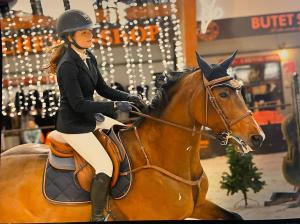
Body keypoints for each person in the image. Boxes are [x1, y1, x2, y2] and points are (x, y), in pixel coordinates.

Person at [47, 9, 146, 221]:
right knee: (104, 165)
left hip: (91, 119)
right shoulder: (66, 66)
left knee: (126, 136)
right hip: (74, 126)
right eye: (84, 33)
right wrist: (115, 106)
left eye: (90, 32)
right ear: (69, 37)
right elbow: (79, 105)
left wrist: (130, 97)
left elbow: (103, 88)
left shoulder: (89, 56)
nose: (90, 36)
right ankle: (98, 216)